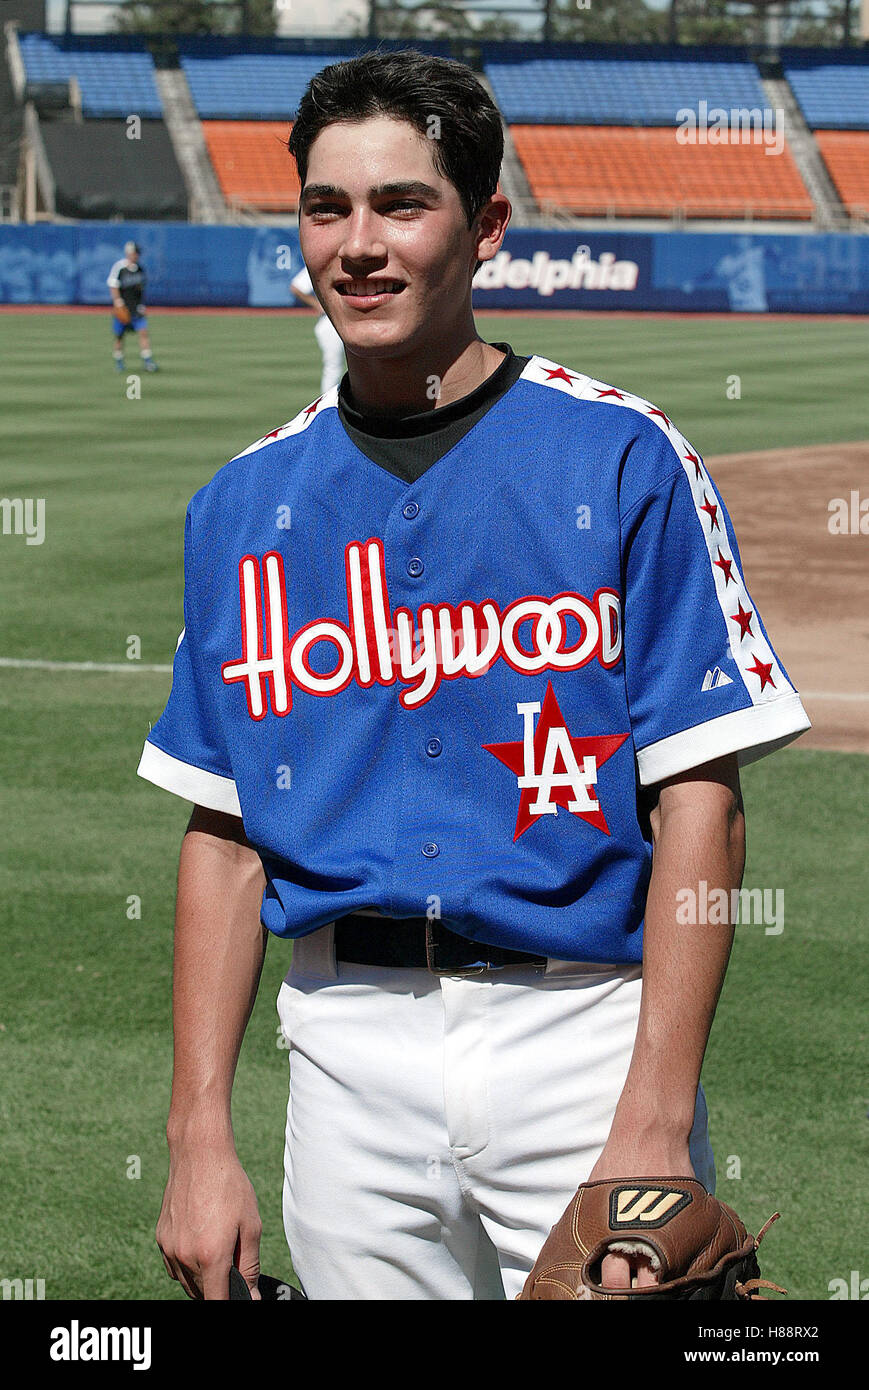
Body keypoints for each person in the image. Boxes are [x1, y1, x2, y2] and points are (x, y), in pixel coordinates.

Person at [138, 50, 810, 1301]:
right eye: (325, 207)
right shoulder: (240, 505)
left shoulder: (621, 457)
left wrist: (655, 1125)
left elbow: (699, 805)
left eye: (402, 204)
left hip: (582, 1040)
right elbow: (223, 836)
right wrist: (196, 1137)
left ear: (486, 224)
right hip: (343, 1049)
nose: (357, 245)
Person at [290, 260, 346, 394]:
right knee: (333, 367)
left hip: (354, 320)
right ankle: (329, 408)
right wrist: (317, 305)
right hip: (330, 322)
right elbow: (296, 287)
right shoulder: (324, 263)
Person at [107, 241, 158, 372]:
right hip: (123, 308)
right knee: (119, 336)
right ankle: (119, 362)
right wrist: (118, 302)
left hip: (136, 308)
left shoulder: (140, 269)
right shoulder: (120, 267)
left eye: (137, 253)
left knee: (143, 332)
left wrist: (141, 305)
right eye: (134, 253)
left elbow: (141, 289)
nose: (136, 256)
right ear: (128, 253)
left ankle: (148, 361)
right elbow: (113, 285)